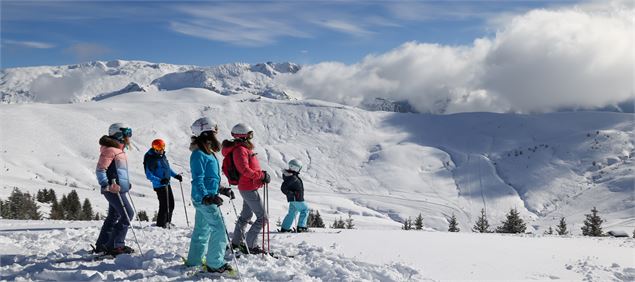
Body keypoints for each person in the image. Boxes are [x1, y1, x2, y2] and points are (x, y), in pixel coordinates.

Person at [185, 117, 235, 273]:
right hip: (204, 199)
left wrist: (221, 189)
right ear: (207, 132)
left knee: (202, 230)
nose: (217, 133)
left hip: (205, 197)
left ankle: (194, 260)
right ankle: (215, 263)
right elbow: (197, 179)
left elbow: (209, 179)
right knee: (219, 229)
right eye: (215, 130)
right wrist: (207, 196)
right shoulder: (199, 154)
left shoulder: (208, 153)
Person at [222, 123, 270, 254]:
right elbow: (244, 169)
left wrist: (261, 174)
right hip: (248, 187)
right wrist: (261, 175)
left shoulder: (242, 148)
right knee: (263, 218)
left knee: (246, 215)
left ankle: (236, 243)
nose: (251, 137)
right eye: (250, 134)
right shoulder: (240, 150)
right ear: (242, 135)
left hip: (248, 186)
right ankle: (251, 245)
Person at [94, 123, 135, 256]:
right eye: (127, 132)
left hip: (118, 189)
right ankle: (116, 246)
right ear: (119, 134)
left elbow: (117, 172)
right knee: (128, 214)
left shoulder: (118, 150)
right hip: (112, 189)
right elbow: (100, 169)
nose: (129, 136)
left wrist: (125, 184)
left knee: (114, 215)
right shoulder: (110, 150)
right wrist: (107, 184)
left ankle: (103, 245)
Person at [143, 139, 183, 228]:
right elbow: (149, 175)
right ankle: (161, 224)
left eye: (162, 147)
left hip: (166, 184)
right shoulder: (150, 158)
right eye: (158, 147)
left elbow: (167, 169)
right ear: (154, 148)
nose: (160, 149)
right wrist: (160, 180)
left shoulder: (162, 156)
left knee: (171, 204)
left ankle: (167, 222)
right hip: (159, 185)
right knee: (164, 205)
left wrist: (175, 175)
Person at [280, 159, 309, 233]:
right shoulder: (293, 178)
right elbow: (283, 188)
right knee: (305, 209)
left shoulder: (290, 176)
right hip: (297, 198)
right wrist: (292, 194)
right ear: (296, 168)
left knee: (292, 213)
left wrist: (291, 194)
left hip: (293, 199)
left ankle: (285, 228)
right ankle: (301, 227)